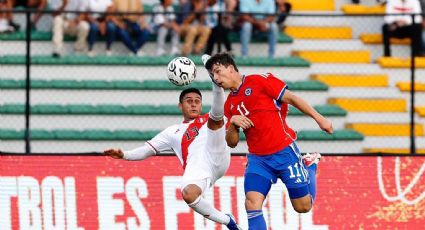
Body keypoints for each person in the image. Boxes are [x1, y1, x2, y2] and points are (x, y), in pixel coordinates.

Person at [204, 52, 333, 229]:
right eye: (213, 75)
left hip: (285, 152)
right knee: (251, 203)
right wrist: (233, 124)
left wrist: (320, 119)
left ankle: (309, 165)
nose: (216, 78)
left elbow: (293, 98)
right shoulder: (229, 105)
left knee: (303, 207)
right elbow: (231, 142)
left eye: (218, 72)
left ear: (231, 68)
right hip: (259, 160)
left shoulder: (259, 81)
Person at [104, 79, 242, 229]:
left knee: (216, 117)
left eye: (197, 101)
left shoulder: (209, 117)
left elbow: (228, 123)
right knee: (189, 195)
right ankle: (228, 221)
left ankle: (214, 80)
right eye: (189, 101)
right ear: (180, 106)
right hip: (198, 166)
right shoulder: (172, 132)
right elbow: (147, 150)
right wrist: (124, 154)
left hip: (217, 152)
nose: (194, 104)